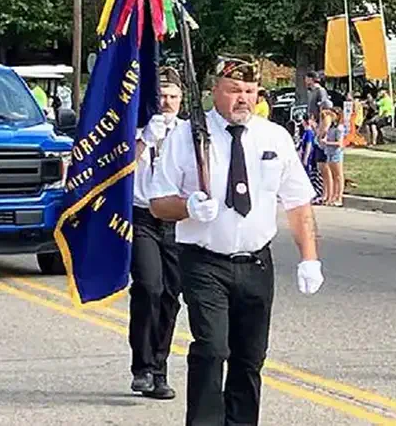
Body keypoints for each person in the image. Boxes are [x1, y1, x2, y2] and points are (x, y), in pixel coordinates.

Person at [150, 55, 325, 426]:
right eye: (233, 90)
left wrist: (310, 258)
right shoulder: (187, 136)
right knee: (212, 349)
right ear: (216, 90)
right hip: (204, 261)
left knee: (250, 358)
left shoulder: (274, 137)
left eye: (249, 91)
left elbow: (297, 203)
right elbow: (158, 204)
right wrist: (188, 206)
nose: (242, 98)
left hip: (256, 263)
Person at [129, 66, 185, 400]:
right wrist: (145, 138)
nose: (167, 102)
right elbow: (119, 167)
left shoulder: (188, 133)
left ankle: (159, 369)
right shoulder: (137, 130)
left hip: (176, 220)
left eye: (173, 97)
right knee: (149, 287)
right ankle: (142, 367)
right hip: (143, 216)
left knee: (169, 296)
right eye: (162, 96)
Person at [319, 106, 347, 206]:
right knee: (334, 175)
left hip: (336, 153)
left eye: (332, 115)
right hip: (329, 152)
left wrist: (327, 142)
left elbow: (339, 143)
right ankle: (333, 196)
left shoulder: (339, 128)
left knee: (338, 176)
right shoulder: (331, 127)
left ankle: (339, 197)